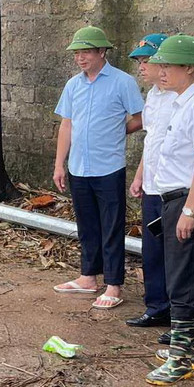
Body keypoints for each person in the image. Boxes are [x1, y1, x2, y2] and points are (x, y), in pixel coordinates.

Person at [145, 34, 194, 386]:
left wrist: (190, 211)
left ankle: (179, 358)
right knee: (193, 277)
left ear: (189, 67)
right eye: (159, 65)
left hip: (191, 200)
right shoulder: (183, 101)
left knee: (183, 281)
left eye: (168, 65)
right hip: (179, 199)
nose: (160, 72)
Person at [52, 26, 144, 309]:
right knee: (87, 225)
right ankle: (87, 277)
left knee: (111, 227)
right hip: (79, 167)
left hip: (109, 167)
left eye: (86, 52)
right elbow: (66, 125)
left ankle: (113, 284)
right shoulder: (73, 85)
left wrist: (118, 131)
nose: (80, 58)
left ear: (102, 52)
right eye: (77, 53)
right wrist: (59, 164)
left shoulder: (123, 82)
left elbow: (141, 118)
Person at [126, 33, 174, 329]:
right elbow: (151, 139)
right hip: (153, 186)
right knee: (152, 250)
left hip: (174, 189)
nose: (141, 67)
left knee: (175, 254)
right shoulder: (154, 95)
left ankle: (179, 314)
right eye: (140, 62)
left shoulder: (179, 96)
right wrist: (141, 174)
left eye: (146, 61)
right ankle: (156, 306)